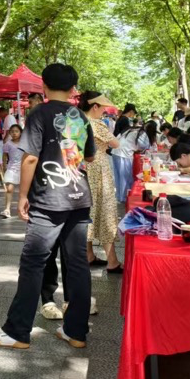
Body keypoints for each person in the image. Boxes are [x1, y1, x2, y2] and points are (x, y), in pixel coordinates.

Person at [0, 63, 95, 350]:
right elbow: (89, 157)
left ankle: (17, 331)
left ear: (43, 86)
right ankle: (76, 332)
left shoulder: (39, 113)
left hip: (48, 200)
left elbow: (30, 158)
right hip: (78, 197)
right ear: (73, 89)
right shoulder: (80, 116)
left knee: (33, 263)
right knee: (77, 265)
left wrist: (22, 195)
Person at [78, 92, 122, 273]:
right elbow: (115, 143)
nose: (104, 111)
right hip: (99, 169)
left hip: (82, 169)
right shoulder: (96, 123)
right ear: (95, 106)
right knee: (106, 211)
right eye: (103, 108)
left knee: (88, 211)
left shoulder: (77, 121)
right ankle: (112, 261)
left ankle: (88, 254)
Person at [110, 119, 148, 203]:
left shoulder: (131, 129)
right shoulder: (142, 133)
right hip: (124, 154)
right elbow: (144, 146)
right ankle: (124, 197)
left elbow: (118, 138)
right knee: (125, 177)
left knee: (119, 176)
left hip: (116, 152)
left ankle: (119, 196)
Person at [0, 124, 23, 219]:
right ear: (9, 133)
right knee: (9, 189)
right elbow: (4, 156)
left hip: (23, 168)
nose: (14, 133)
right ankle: (7, 209)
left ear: (21, 132)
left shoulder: (25, 143)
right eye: (12, 131)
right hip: (12, 168)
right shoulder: (7, 144)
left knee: (23, 190)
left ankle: (23, 208)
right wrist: (4, 167)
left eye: (16, 131)